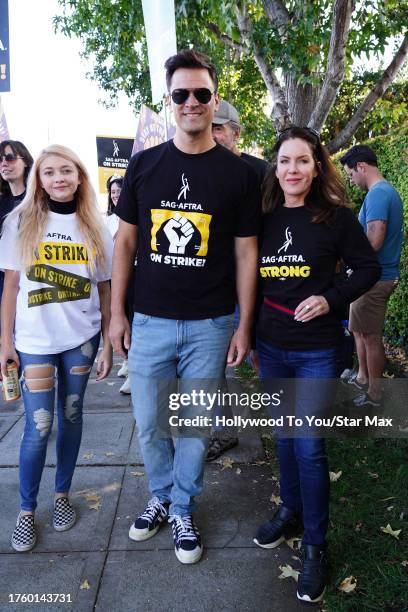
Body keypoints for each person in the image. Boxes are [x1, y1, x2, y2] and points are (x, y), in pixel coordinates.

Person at [110, 50, 260, 564]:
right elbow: (126, 245)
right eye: (181, 94)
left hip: (212, 323)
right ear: (170, 101)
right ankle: (160, 494)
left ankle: (182, 505)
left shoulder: (238, 175)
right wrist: (116, 314)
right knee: (150, 421)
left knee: (195, 423)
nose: (192, 102)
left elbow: (245, 252)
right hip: (150, 320)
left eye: (201, 93)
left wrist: (245, 325)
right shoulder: (144, 165)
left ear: (214, 99)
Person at [252, 127, 380, 603]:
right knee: (284, 438)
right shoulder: (262, 217)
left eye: (302, 161)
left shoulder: (335, 217)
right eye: (284, 161)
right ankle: (290, 510)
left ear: (317, 166)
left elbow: (367, 268)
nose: (292, 170)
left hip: (317, 351)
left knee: (308, 447)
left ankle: (315, 547)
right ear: (275, 167)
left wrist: (331, 299)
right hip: (272, 346)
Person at [0, 144, 113, 553]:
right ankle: (26, 510)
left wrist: (108, 347)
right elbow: (10, 287)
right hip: (33, 343)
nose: (59, 178)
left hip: (81, 339)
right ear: (39, 179)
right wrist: (4, 344)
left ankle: (62, 495)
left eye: (67, 170)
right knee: (38, 427)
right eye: (50, 173)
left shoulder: (96, 227)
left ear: (80, 176)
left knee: (72, 414)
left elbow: (104, 288)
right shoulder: (20, 222)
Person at [205, 101, 269, 462]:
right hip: (214, 286)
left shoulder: (261, 172)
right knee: (213, 363)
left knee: (263, 356)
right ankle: (223, 430)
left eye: (219, 127)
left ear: (235, 132)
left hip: (260, 285)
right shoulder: (200, 168)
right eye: (209, 128)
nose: (212, 134)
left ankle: (283, 419)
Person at [340, 144, 404, 407]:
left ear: (361, 167)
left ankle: (374, 394)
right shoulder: (382, 192)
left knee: (371, 336)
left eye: (351, 174)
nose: (351, 180)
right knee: (360, 331)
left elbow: (374, 239)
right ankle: (364, 379)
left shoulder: (378, 194)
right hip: (370, 277)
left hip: (376, 278)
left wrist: (349, 258)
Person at [104, 175, 130, 394]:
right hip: (112, 274)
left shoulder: (131, 216)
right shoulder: (108, 220)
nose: (115, 195)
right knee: (117, 318)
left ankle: (132, 364)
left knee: (129, 318)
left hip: (134, 274)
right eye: (112, 192)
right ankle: (126, 360)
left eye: (119, 191)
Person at [0, 140, 34, 306]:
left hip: (32, 283)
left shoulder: (40, 200)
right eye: (0, 159)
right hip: (4, 283)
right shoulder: (1, 202)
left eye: (10, 157)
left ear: (26, 161)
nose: (4, 163)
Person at [212, 100, 269, 184]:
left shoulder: (261, 170)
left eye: (217, 129)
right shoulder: (199, 169)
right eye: (205, 130)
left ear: (236, 133)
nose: (211, 136)